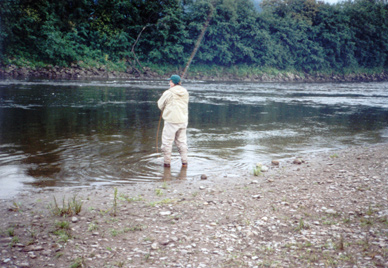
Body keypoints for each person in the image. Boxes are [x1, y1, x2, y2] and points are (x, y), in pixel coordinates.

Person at [157, 75, 189, 168]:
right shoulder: (185, 92)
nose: (169, 83)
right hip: (183, 120)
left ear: (172, 83)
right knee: (182, 142)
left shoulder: (168, 92)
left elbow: (160, 104)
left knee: (167, 143)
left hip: (171, 121)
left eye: (170, 81)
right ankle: (184, 163)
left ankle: (167, 164)